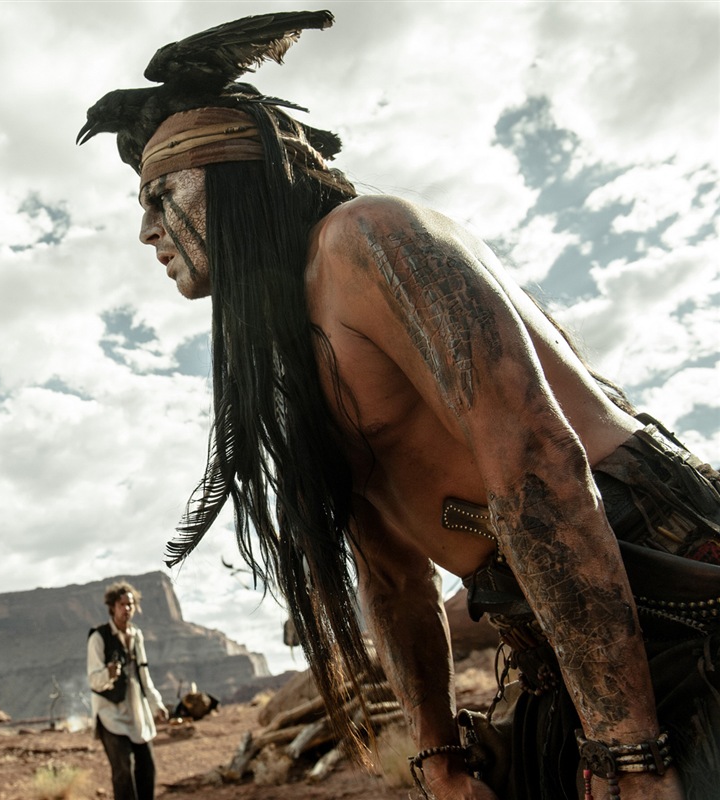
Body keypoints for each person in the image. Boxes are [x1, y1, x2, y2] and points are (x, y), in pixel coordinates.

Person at [78, 14, 720, 800]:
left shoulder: (367, 240)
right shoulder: (290, 359)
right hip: (544, 627)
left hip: (659, 578)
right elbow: (391, 577)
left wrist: (629, 754)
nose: (145, 229)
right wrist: (440, 756)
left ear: (232, 172)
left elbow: (537, 462)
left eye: (158, 194)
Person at [88, 581, 169, 800]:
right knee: (123, 770)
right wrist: (109, 674)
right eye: (122, 604)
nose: (127, 609)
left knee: (147, 768)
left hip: (137, 713)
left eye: (130, 604)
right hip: (110, 715)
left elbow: (144, 675)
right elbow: (94, 680)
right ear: (112, 607)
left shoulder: (136, 636)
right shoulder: (99, 637)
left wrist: (156, 704)